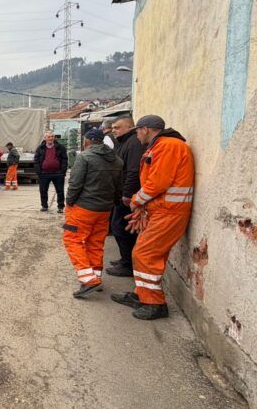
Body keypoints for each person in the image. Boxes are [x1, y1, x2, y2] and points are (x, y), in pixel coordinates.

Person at [111, 115, 195, 320]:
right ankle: (142, 294)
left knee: (145, 254)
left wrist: (136, 201)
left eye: (137, 131)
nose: (137, 135)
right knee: (144, 253)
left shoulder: (168, 146)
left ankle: (154, 303)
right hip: (162, 210)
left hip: (169, 212)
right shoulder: (162, 145)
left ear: (146, 129)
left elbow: (157, 182)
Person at [62, 128, 123, 298]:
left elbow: (75, 183)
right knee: (95, 243)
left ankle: (89, 280)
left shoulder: (84, 157)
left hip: (83, 208)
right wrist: (114, 203)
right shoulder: (117, 160)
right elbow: (119, 187)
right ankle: (95, 277)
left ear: (87, 141)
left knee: (72, 239)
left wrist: (69, 203)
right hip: (105, 209)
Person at [107, 116, 144, 277]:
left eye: (117, 127)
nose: (113, 130)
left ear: (130, 127)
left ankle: (128, 264)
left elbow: (133, 171)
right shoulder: (124, 142)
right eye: (113, 128)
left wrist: (127, 194)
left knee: (122, 227)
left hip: (128, 195)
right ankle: (125, 259)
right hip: (121, 193)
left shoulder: (133, 143)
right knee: (119, 227)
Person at [34, 131, 68, 213]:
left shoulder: (61, 147)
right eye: (49, 137)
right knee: (43, 191)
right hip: (44, 174)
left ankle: (60, 207)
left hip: (58, 173)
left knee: (60, 191)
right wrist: (39, 172)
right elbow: (36, 160)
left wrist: (63, 171)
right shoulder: (40, 148)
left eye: (52, 136)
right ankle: (44, 206)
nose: (51, 138)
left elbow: (65, 160)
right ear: (45, 138)